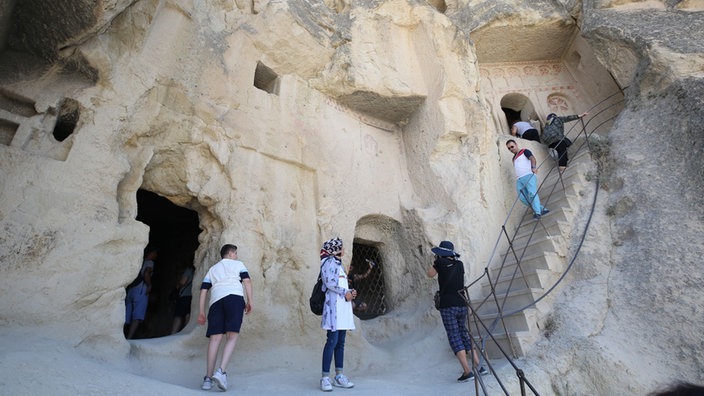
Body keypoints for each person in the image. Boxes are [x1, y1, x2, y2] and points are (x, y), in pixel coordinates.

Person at [426, 241, 487, 382]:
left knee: (454, 336)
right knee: (464, 334)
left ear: (441, 254)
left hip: (448, 305)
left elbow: (429, 274)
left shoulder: (440, 263)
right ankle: (480, 366)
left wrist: (436, 262)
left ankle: (467, 372)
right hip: (462, 303)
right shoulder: (460, 264)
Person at [197, 244, 253, 391]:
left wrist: (201, 311)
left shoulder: (213, 269)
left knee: (215, 339)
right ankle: (221, 372)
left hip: (215, 302)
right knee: (232, 336)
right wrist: (250, 301)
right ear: (231, 254)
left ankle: (207, 379)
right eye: (236, 253)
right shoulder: (238, 264)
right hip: (234, 298)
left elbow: (203, 290)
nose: (237, 256)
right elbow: (247, 281)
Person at [319, 237, 356, 392]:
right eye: (341, 248)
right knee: (332, 341)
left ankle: (339, 376)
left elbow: (341, 284)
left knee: (340, 342)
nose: (343, 250)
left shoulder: (339, 265)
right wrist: (345, 292)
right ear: (335, 250)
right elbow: (329, 283)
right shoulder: (328, 263)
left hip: (342, 309)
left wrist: (351, 292)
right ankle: (325, 378)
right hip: (334, 309)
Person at [506, 139, 549, 219]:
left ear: (516, 144)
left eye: (512, 146)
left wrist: (533, 167)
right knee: (522, 197)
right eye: (509, 148)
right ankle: (541, 209)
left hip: (528, 175)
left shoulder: (524, 151)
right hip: (519, 179)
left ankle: (537, 213)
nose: (511, 149)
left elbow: (532, 158)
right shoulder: (513, 158)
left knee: (532, 194)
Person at [124, 245, 157, 339]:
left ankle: (120, 335)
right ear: (150, 253)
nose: (156, 255)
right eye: (155, 253)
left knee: (127, 315)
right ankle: (129, 338)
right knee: (137, 316)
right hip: (140, 290)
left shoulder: (138, 260)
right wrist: (149, 285)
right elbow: (147, 273)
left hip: (131, 289)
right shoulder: (150, 263)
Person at [171, 263, 195, 334]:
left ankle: (173, 333)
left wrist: (177, 285)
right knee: (187, 315)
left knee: (178, 315)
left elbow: (183, 282)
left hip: (184, 296)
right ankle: (184, 334)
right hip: (191, 296)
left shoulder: (189, 270)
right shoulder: (195, 271)